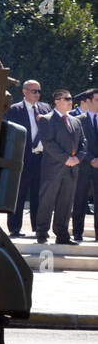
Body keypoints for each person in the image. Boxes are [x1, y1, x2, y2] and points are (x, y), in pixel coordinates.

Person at [38, 89, 86, 245]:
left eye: (71, 99)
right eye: (67, 98)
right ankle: (42, 233)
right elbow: (48, 143)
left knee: (66, 203)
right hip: (53, 168)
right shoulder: (47, 119)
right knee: (47, 200)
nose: (71, 101)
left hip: (72, 169)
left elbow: (83, 143)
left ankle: (62, 235)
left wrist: (77, 158)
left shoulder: (76, 121)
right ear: (57, 101)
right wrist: (66, 159)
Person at [3, 80, 46, 238]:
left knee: (38, 195)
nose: (37, 94)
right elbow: (10, 133)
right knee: (18, 195)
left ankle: (38, 228)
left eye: (39, 91)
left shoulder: (45, 108)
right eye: (34, 91)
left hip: (40, 159)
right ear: (24, 92)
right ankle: (14, 228)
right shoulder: (15, 110)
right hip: (21, 159)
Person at [72, 88, 98, 242]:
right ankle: (77, 233)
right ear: (87, 101)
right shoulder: (78, 120)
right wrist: (90, 159)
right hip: (83, 166)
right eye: (96, 100)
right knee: (79, 200)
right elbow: (76, 144)